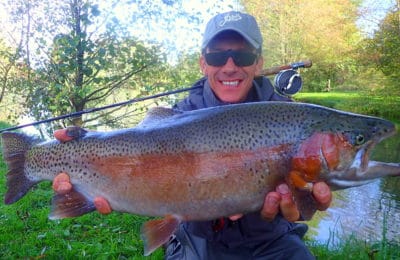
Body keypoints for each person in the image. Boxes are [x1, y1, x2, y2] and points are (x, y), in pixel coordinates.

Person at [53, 11, 332, 259]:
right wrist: (79, 160)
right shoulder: (178, 117)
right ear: (203, 63)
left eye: (243, 55)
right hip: (195, 238)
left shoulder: (290, 119)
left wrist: (305, 205)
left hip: (271, 240)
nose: (230, 65)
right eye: (217, 56)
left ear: (258, 63)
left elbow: (305, 200)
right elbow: (130, 153)